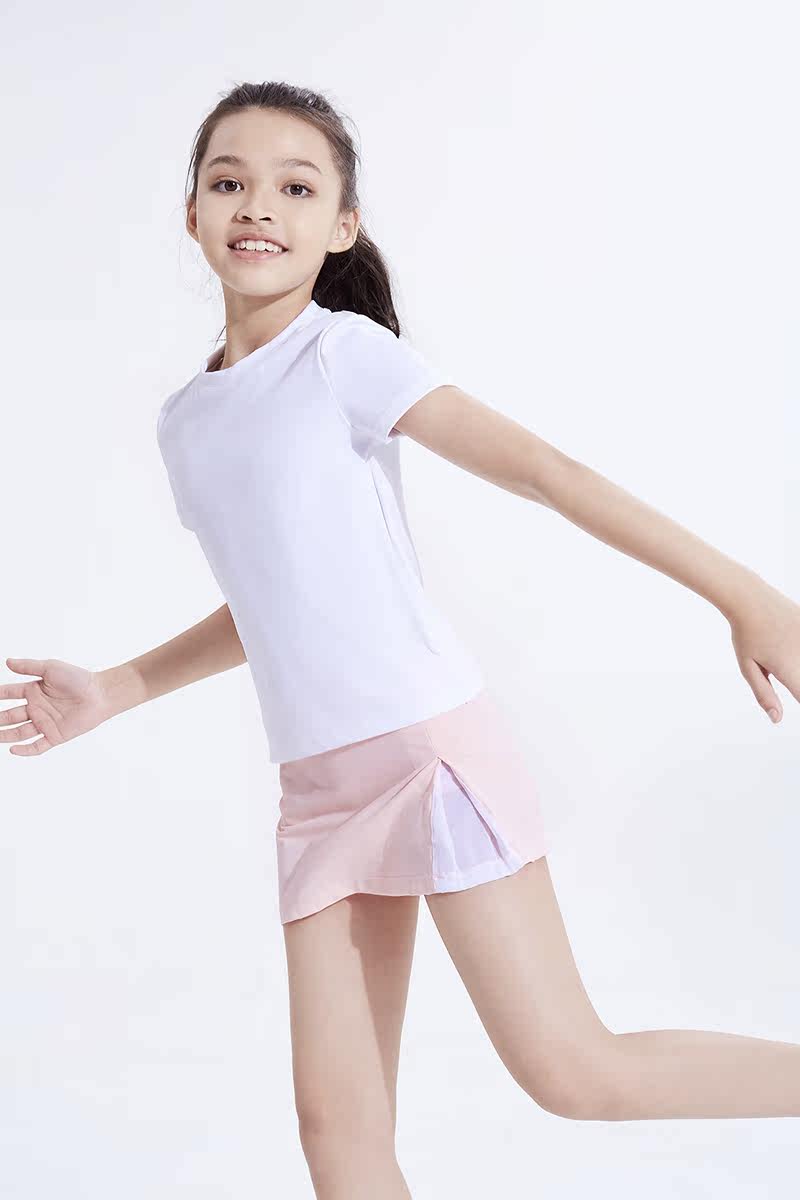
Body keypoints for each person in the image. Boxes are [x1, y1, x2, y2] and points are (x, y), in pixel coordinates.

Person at [3, 80, 800, 1198]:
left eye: (296, 187)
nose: (257, 205)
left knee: (575, 1073)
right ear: (191, 213)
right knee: (338, 1133)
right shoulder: (186, 421)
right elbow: (271, 601)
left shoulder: (342, 355)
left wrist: (743, 594)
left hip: (428, 757)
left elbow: (545, 473)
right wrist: (120, 687)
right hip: (317, 792)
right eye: (229, 181)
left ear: (342, 227)